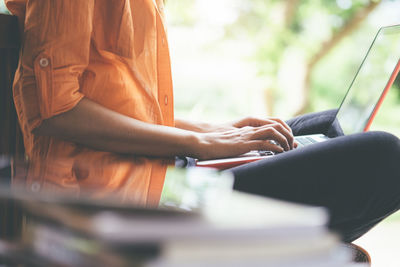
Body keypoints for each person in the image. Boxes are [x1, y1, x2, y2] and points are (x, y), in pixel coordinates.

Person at [5, 0, 400, 242]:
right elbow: (55, 109)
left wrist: (218, 130)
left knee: (323, 125)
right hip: (125, 198)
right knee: (384, 157)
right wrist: (201, 145)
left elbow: (127, 111)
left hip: (163, 170)